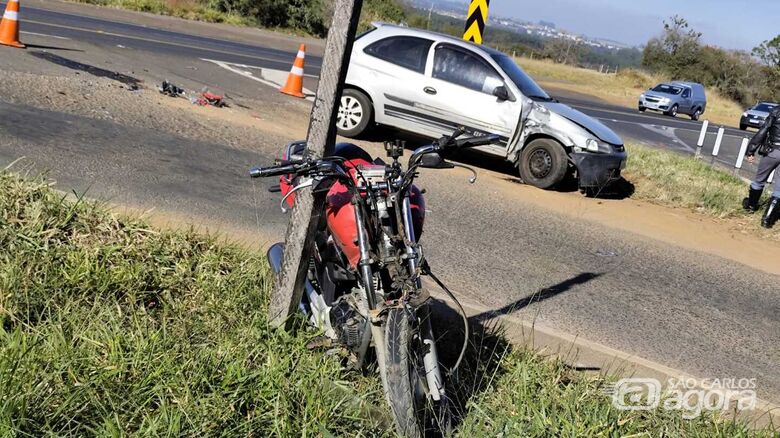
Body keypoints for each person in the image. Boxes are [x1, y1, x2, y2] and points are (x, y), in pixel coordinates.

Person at [743, 105, 780, 228]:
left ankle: (751, 206)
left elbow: (763, 130)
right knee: (779, 188)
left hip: (773, 151)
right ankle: (767, 219)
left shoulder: (776, 111)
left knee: (759, 179)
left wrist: (751, 150)